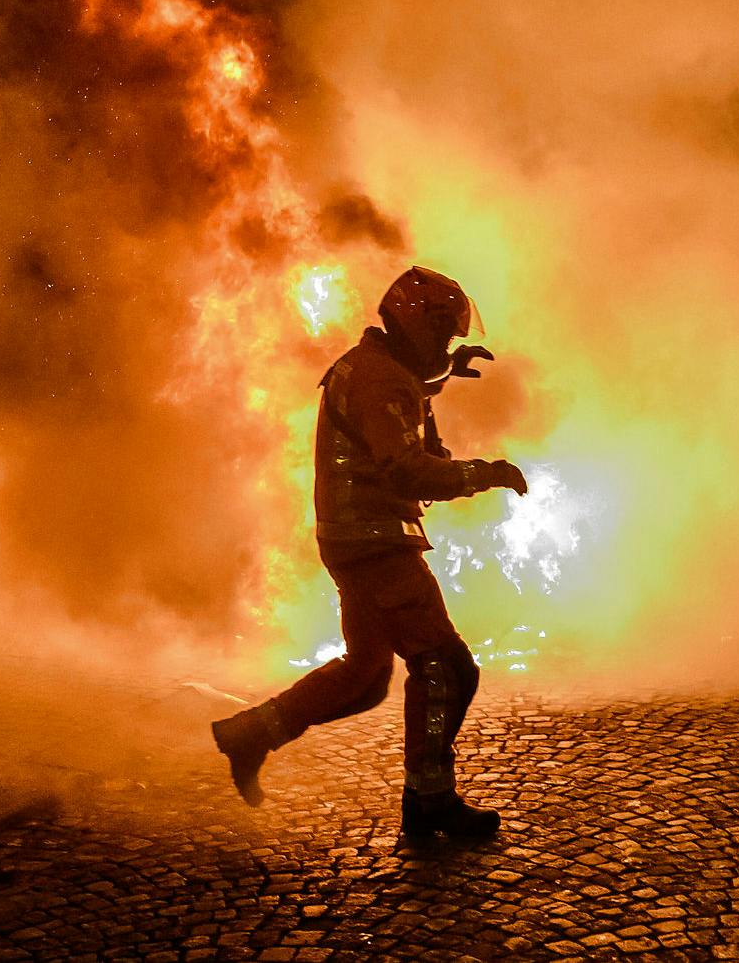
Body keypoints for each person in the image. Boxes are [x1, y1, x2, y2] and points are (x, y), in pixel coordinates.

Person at [211, 267, 530, 841]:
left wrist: (444, 376)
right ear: (416, 325)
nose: (446, 346)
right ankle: (429, 800)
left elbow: (398, 401)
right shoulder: (382, 379)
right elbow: (406, 466)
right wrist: (485, 474)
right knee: (445, 667)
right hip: (374, 542)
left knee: (365, 677)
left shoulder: (381, 369)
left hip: (357, 538)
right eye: (443, 335)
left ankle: (249, 734)